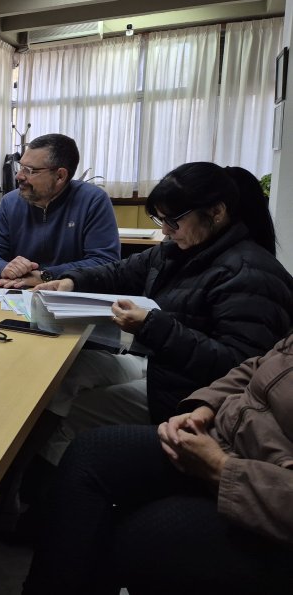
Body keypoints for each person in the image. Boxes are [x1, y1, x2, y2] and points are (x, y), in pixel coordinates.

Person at [36, 162, 293, 466]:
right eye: (161, 219)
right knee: (70, 373)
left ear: (217, 212)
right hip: (163, 366)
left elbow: (237, 368)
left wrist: (153, 326)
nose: (165, 231)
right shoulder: (180, 250)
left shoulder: (249, 274)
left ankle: (51, 492)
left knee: (80, 409)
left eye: (173, 221)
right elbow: (121, 271)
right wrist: (72, 281)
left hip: (195, 398)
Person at [23, 332, 293, 595]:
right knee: (91, 453)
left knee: (140, 538)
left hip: (261, 491)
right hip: (223, 437)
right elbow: (256, 365)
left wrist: (220, 468)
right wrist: (204, 408)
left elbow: (226, 352)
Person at [0, 133, 120, 288]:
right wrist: (4, 268)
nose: (19, 176)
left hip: (70, 296)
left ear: (60, 176)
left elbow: (105, 262)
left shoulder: (92, 201)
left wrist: (46, 276)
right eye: (21, 167)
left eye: (30, 170)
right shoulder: (11, 202)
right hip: (16, 293)